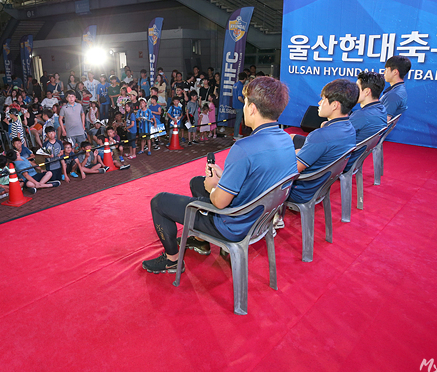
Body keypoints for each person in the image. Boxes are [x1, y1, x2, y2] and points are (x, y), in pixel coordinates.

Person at [141, 76, 298, 273]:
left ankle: (172, 259)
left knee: (159, 201)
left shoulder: (244, 147)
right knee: (197, 182)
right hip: (259, 218)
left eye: (245, 103)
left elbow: (219, 202)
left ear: (252, 108)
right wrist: (223, 178)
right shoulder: (286, 139)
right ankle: (200, 241)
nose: (244, 107)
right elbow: (259, 177)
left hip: (233, 224)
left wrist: (213, 187)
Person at [287, 79, 358, 208]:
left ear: (335, 105)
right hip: (320, 184)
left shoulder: (320, 136)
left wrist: (294, 155)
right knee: (292, 138)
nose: (319, 103)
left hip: (300, 190)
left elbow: (292, 170)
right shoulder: (350, 128)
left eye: (323, 100)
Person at [349, 71, 388, 168]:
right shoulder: (382, 110)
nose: (353, 91)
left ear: (367, 91)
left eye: (357, 88)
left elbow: (335, 139)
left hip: (341, 164)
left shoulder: (360, 115)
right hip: (356, 160)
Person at [381, 55, 411, 120]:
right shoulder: (399, 89)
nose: (384, 72)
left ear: (395, 72)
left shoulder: (394, 95)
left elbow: (383, 121)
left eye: (386, 69)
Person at [232, 72, 247, 140]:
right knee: (238, 121)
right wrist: (244, 103)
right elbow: (239, 97)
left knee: (238, 120)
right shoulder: (241, 85)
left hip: (235, 104)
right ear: (245, 78)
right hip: (239, 105)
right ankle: (235, 136)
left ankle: (237, 133)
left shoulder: (235, 84)